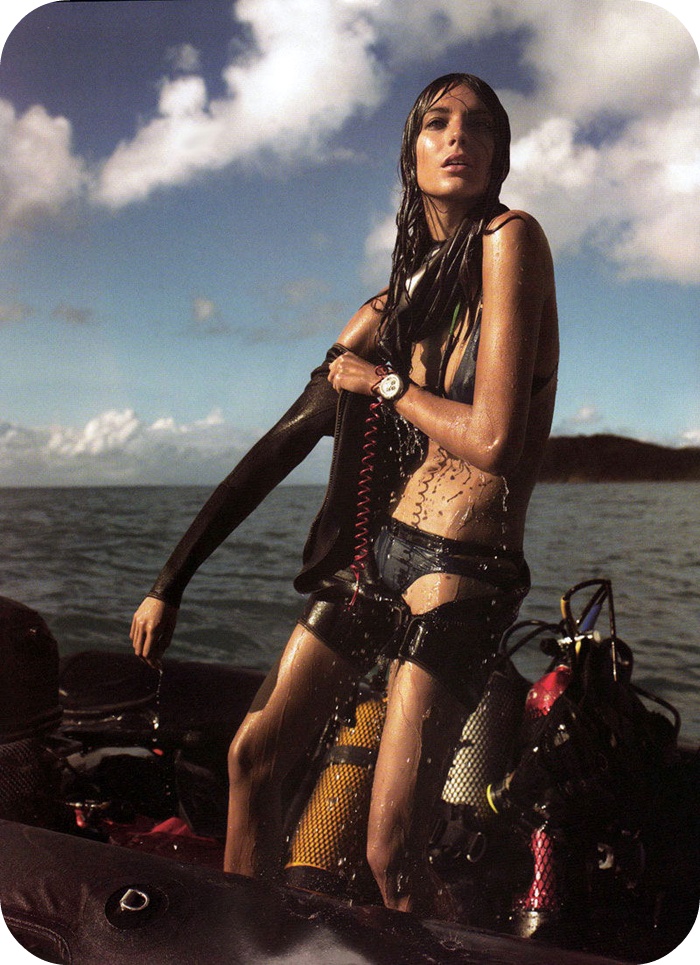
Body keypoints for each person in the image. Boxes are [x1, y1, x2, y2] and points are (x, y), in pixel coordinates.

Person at [130, 72, 558, 919]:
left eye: (479, 125)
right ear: (410, 152)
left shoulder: (513, 239)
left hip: (465, 565)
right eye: (437, 123)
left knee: (391, 850)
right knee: (253, 756)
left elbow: (494, 440)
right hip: (380, 556)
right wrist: (168, 583)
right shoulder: (389, 308)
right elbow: (279, 446)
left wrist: (386, 384)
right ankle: (248, 941)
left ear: (500, 154)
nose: (458, 137)